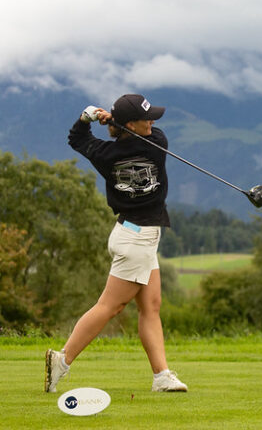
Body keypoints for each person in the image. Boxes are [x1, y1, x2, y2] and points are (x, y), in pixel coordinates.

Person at [45, 94, 187, 393]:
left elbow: (77, 138)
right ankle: (62, 360)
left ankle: (161, 376)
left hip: (133, 234)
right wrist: (113, 121)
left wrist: (88, 119)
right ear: (132, 124)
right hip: (138, 239)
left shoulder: (104, 154)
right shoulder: (157, 144)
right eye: (146, 118)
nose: (153, 122)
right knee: (110, 306)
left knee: (150, 306)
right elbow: (155, 133)